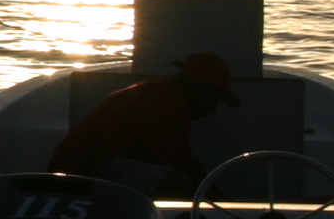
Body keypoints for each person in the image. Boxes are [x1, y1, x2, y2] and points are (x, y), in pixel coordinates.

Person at [48, 51, 243, 193]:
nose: (212, 110)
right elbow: (180, 163)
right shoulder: (164, 103)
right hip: (84, 171)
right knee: (174, 182)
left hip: (86, 167)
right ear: (196, 90)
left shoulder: (159, 94)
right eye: (212, 100)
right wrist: (222, 205)